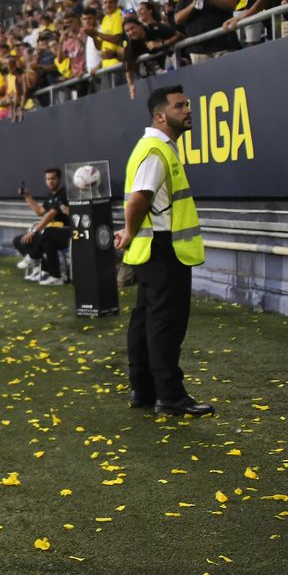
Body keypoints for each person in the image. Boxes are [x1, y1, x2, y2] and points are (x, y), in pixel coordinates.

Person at [114, 86, 213, 417]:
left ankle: (143, 390)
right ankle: (169, 396)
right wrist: (129, 231)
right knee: (165, 324)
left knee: (146, 321)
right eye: (179, 106)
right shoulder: (157, 150)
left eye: (187, 104)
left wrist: (131, 233)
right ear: (160, 116)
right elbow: (139, 198)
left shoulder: (152, 148)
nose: (187, 110)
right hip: (163, 249)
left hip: (152, 249)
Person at [14, 169, 68, 285]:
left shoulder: (64, 194)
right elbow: (40, 211)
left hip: (65, 231)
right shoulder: (50, 196)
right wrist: (27, 196)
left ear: (59, 179)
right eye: (48, 179)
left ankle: (34, 257)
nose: (50, 181)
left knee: (46, 234)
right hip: (50, 233)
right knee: (19, 240)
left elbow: (50, 215)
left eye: (53, 178)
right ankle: (47, 270)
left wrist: (34, 231)